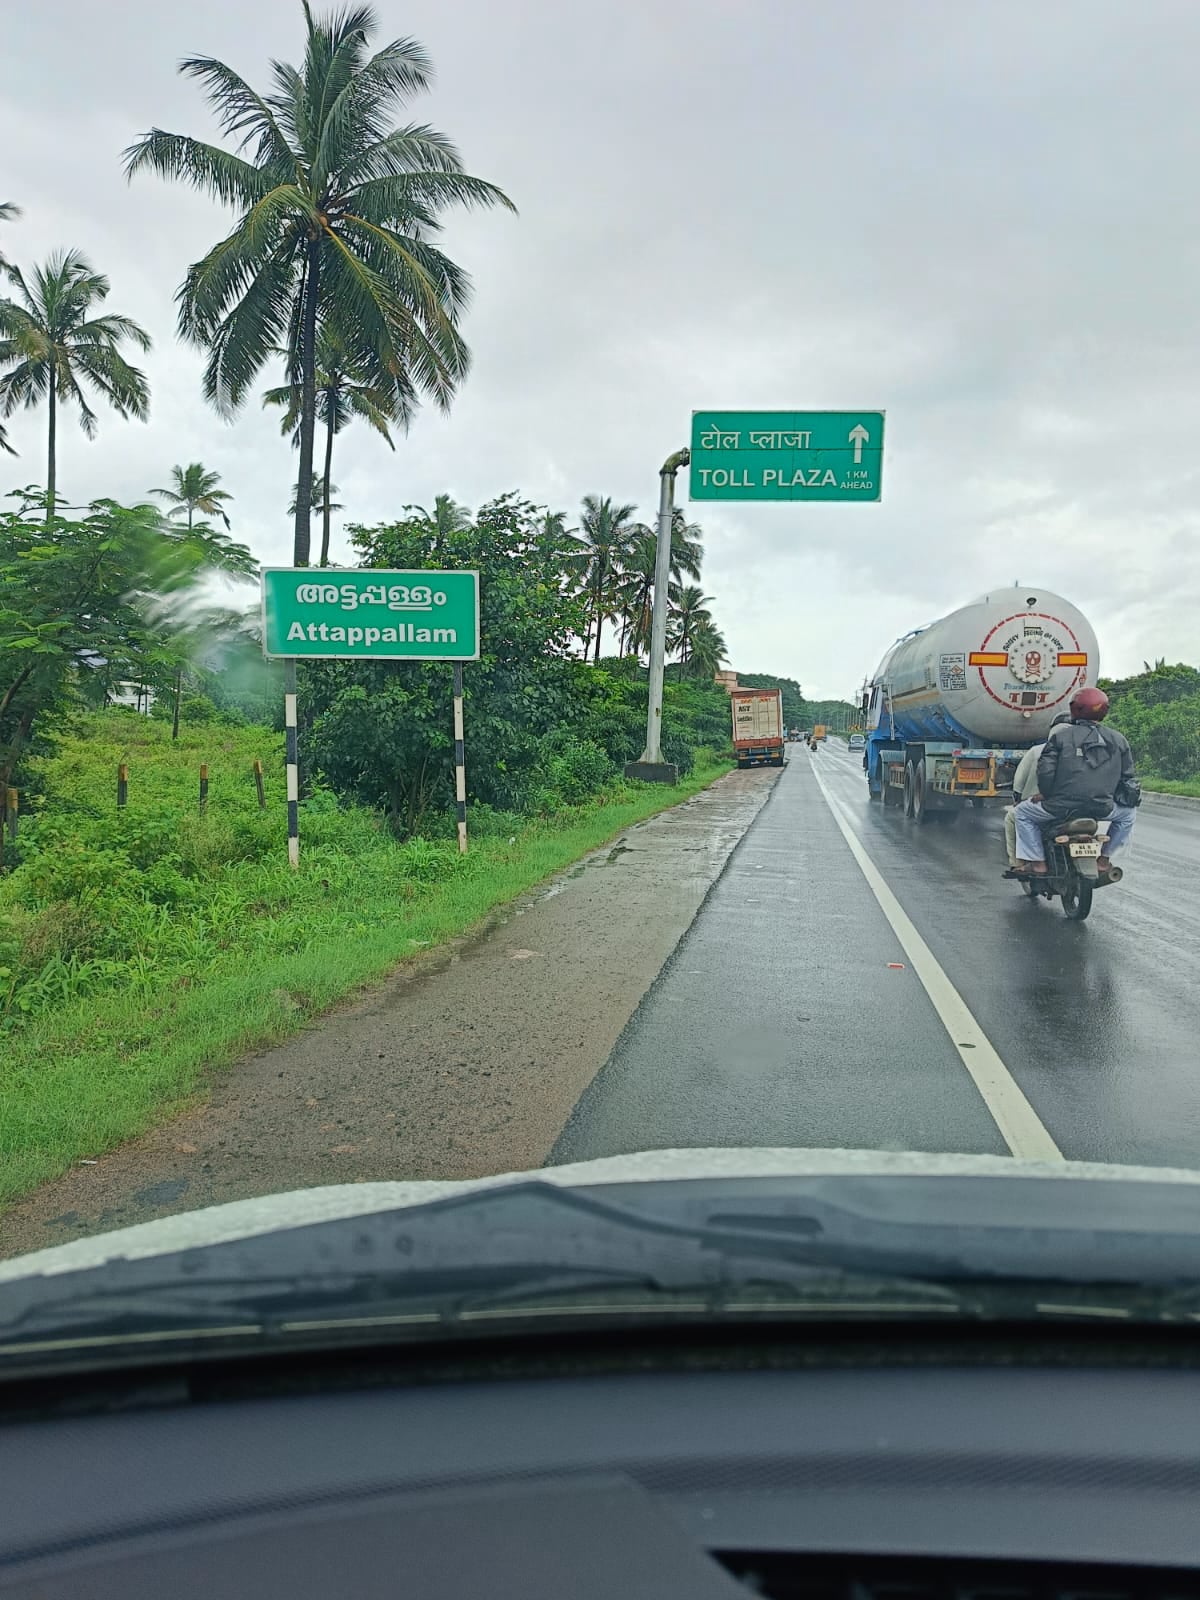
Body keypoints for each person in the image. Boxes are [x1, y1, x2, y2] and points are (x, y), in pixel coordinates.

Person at [1012, 688, 1138, 875]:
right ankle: (1104, 860)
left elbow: (1045, 772)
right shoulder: (1119, 740)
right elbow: (1128, 778)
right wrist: (1110, 796)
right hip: (1102, 807)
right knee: (1128, 815)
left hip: (1059, 807)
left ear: (1074, 709)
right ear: (1105, 711)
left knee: (1021, 813)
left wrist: (1045, 794)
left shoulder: (1060, 738)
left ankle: (1038, 863)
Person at [1003, 712, 1072, 871]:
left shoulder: (1038, 751)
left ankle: (1020, 863)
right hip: (1085, 807)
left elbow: (1019, 781)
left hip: (1046, 807)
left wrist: (1018, 798)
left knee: (1013, 817)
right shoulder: (1087, 751)